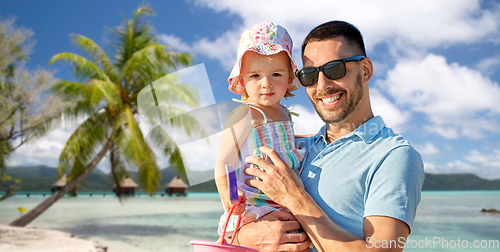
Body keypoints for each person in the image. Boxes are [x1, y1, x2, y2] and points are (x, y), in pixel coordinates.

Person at [233, 20, 425, 252]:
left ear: (365, 70)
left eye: (335, 69)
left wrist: (295, 198)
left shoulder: (393, 156)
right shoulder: (294, 147)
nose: (322, 85)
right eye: (310, 75)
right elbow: (236, 217)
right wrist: (244, 237)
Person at [214, 22, 305, 238]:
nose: (266, 84)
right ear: (242, 80)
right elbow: (225, 161)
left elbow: (286, 142)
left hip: (289, 198)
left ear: (289, 78)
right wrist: (231, 194)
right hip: (256, 203)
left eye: (276, 74)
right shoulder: (245, 114)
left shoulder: (285, 112)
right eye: (255, 76)